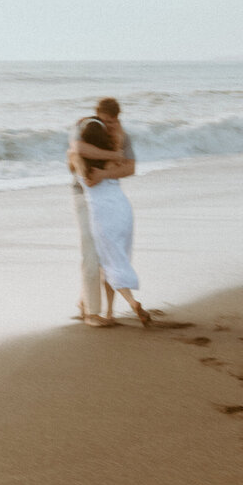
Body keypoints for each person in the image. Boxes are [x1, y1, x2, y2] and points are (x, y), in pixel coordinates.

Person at [67, 97, 149, 327]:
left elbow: (131, 168)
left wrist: (105, 173)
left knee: (104, 254)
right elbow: (77, 149)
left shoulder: (123, 136)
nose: (109, 126)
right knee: (92, 254)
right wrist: (113, 155)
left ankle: (87, 303)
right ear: (97, 115)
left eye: (113, 122)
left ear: (118, 119)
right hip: (83, 197)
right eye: (105, 121)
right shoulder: (84, 127)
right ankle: (93, 312)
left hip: (109, 199)